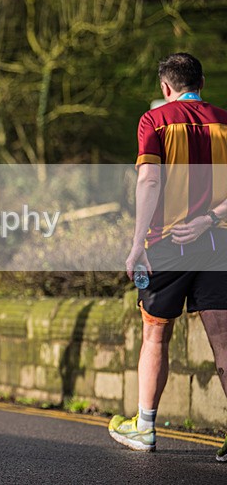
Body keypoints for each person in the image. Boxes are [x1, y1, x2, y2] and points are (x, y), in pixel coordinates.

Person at [109, 53, 227, 462]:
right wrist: (211, 218)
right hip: (219, 243)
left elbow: (149, 179)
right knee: (224, 341)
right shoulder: (224, 120)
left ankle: (144, 428)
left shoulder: (154, 120)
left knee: (156, 335)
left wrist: (137, 243)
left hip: (166, 244)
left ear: (165, 87)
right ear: (202, 81)